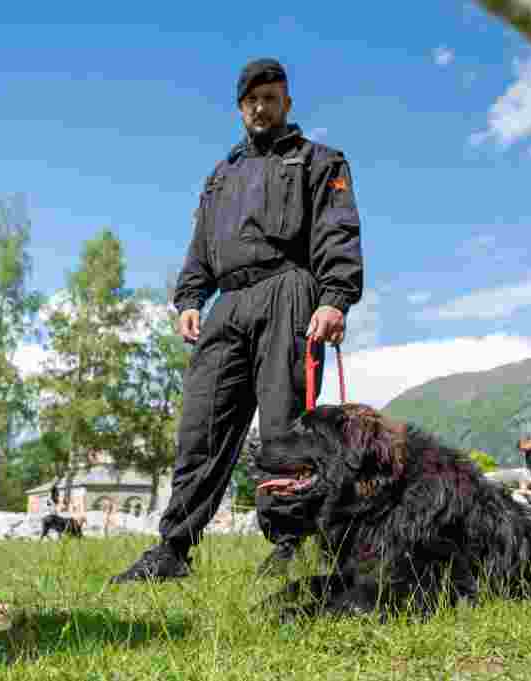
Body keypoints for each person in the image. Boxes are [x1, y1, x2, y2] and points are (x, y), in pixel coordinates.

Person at [111, 58, 363, 583]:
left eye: (270, 98)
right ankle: (173, 549)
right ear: (239, 108)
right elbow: (201, 244)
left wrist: (334, 298)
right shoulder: (220, 176)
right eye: (251, 101)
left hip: (289, 291)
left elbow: (337, 230)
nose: (260, 108)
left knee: (284, 425)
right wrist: (190, 298)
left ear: (286, 102)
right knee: (200, 426)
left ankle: (293, 546)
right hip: (227, 304)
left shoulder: (318, 160)